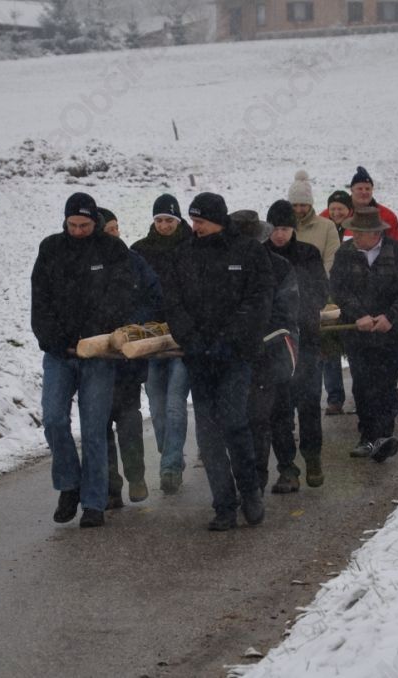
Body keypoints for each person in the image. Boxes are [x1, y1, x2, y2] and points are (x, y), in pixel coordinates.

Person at [162, 192, 274, 531]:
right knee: (208, 433)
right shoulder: (183, 255)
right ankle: (223, 504)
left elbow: (258, 301)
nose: (195, 227)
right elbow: (173, 302)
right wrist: (191, 339)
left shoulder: (248, 252)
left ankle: (249, 491)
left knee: (235, 423)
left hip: (235, 355)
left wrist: (229, 338)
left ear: (218, 220)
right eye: (193, 221)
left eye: (201, 222)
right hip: (199, 357)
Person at [31, 192, 139, 528]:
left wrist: (97, 334)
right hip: (59, 353)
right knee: (53, 419)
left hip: (98, 353)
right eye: (72, 225)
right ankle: (69, 484)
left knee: (94, 428)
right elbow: (40, 300)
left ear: (95, 222)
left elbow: (122, 298)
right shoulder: (51, 249)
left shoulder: (112, 251)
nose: (78, 231)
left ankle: (94, 502)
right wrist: (53, 339)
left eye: (84, 225)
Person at [331, 206, 398, 462]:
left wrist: (390, 317)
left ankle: (383, 435)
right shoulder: (344, 253)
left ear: (375, 233)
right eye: (354, 231)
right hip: (357, 334)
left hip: (391, 334)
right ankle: (368, 435)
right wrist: (358, 314)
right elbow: (338, 289)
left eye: (360, 232)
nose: (355, 236)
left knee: (385, 384)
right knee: (362, 384)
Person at [231, 209, 301, 496]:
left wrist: (257, 334)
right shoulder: (227, 268)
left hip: (274, 347)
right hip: (238, 351)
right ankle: (253, 481)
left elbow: (286, 311)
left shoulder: (280, 267)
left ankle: (287, 468)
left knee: (277, 413)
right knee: (249, 418)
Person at [99, 207, 162, 509]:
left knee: (128, 417)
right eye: (108, 229)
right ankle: (111, 487)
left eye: (116, 228)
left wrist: (133, 325)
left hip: (128, 356)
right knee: (99, 423)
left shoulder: (133, 261)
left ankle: (136, 477)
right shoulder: (87, 264)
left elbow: (154, 296)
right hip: (97, 355)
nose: (115, 234)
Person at [265, 200, 330, 490]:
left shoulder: (308, 254)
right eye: (275, 228)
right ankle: (287, 468)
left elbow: (321, 291)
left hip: (307, 340)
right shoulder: (261, 256)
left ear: (293, 229)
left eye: (285, 228)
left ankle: (313, 458)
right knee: (278, 409)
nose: (280, 234)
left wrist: (300, 311)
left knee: (309, 403)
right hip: (274, 344)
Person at [131, 194, 193, 494]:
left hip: (184, 336)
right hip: (152, 336)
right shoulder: (141, 251)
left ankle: (170, 466)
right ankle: (171, 453)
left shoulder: (192, 248)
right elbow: (134, 292)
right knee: (155, 403)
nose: (164, 225)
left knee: (175, 401)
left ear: (178, 221)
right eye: (159, 220)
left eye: (169, 220)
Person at [320, 189, 353, 416]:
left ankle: (362, 394)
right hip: (328, 295)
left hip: (350, 294)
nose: (336, 212)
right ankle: (334, 398)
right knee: (329, 349)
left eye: (340, 208)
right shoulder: (323, 229)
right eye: (332, 208)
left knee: (354, 348)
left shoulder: (356, 229)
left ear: (348, 210)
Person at [332, 166, 398, 244]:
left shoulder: (387, 215)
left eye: (367, 189)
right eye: (360, 189)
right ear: (352, 190)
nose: (364, 192)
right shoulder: (334, 212)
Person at [288, 170, 340, 276]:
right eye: (294, 205)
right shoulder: (282, 228)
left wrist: (318, 282)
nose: (298, 210)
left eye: (303, 205)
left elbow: (331, 260)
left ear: (310, 205)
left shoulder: (327, 227)